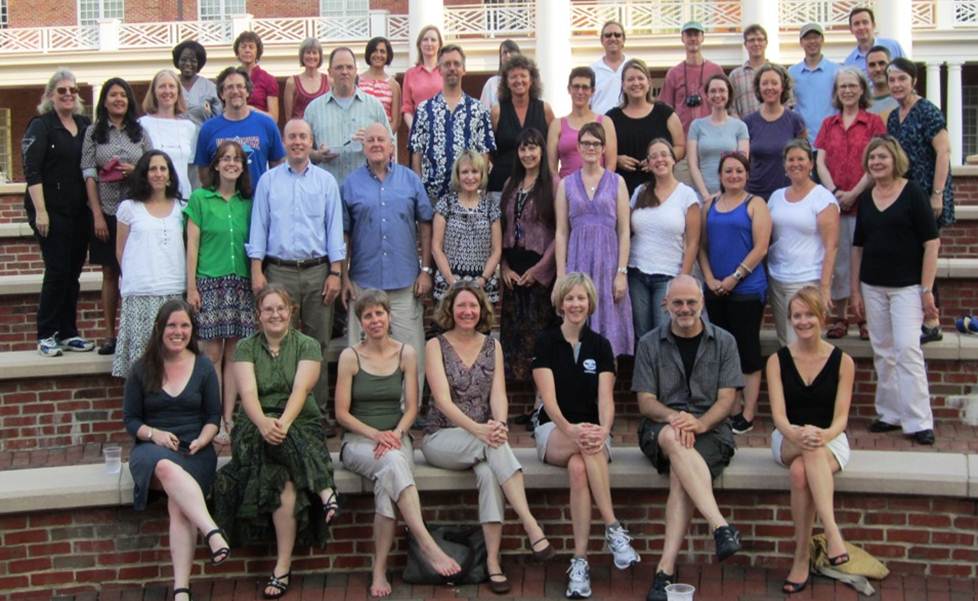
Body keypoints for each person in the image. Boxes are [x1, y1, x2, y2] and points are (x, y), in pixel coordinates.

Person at [421, 283, 554, 595]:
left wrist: (501, 424)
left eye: (474, 306)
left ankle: (493, 564)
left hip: (484, 444)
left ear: (482, 310)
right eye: (461, 306)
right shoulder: (435, 346)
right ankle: (530, 524)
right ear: (450, 310)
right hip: (442, 438)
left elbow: (499, 396)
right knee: (492, 445)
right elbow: (442, 401)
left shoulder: (493, 346)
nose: (468, 311)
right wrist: (482, 431)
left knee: (489, 474)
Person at [213, 284, 338, 600]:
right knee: (272, 445)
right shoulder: (245, 347)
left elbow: (300, 391)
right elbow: (249, 395)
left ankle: (281, 567)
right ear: (258, 315)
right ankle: (324, 486)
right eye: (268, 309)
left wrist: (280, 424)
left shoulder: (307, 345)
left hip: (299, 421)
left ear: (291, 311)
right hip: (254, 425)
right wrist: (264, 423)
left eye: (280, 308)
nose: (275, 314)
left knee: (281, 479)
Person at [334, 290, 462, 597]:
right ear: (361, 322)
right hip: (358, 441)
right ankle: (426, 542)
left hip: (395, 436)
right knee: (394, 463)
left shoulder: (406, 352)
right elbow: (341, 413)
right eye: (368, 316)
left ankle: (378, 572)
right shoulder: (350, 357)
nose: (375, 320)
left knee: (388, 479)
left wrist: (395, 433)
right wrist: (376, 435)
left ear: (389, 316)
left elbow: (412, 408)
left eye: (379, 313)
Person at [633, 274, 743, 601]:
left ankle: (663, 572)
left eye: (691, 302)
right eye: (677, 302)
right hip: (660, 426)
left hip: (711, 430)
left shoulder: (724, 342)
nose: (684, 309)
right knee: (671, 437)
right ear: (666, 304)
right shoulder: (649, 343)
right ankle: (720, 526)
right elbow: (646, 402)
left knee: (681, 474)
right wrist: (675, 418)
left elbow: (727, 400)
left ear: (702, 303)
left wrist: (700, 424)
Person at [533, 273, 640, 598]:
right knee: (585, 447)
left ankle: (579, 564)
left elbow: (607, 399)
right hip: (554, 429)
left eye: (581, 298)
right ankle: (613, 527)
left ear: (590, 303)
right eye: (570, 298)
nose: (575, 304)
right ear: (560, 303)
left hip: (593, 432)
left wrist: (604, 430)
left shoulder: (601, 345)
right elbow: (548, 401)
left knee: (580, 468)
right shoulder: (546, 342)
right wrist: (570, 430)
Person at [122, 299, 229, 601]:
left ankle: (181, 590)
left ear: (191, 330)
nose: (178, 331)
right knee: (168, 469)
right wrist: (153, 434)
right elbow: (131, 420)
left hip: (194, 451)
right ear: (160, 328)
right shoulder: (142, 369)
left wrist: (205, 439)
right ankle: (213, 532)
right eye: (172, 325)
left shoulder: (204, 366)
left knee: (178, 504)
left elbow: (212, 417)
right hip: (152, 451)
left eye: (184, 325)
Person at [247, 118, 346, 420]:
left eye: (303, 136)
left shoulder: (326, 182)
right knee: (279, 341)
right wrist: (256, 269)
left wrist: (336, 272)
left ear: (311, 141)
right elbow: (259, 226)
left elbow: (334, 229)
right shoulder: (268, 181)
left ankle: (315, 415)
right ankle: (281, 409)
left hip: (318, 271)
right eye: (292, 137)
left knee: (317, 343)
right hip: (279, 271)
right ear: (284, 142)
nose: (298, 142)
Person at [850, 136, 939, 446]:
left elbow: (932, 242)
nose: (877, 162)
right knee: (883, 352)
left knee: (907, 350)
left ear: (895, 160)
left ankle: (919, 421)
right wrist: (855, 291)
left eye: (883, 157)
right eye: (872, 157)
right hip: (872, 286)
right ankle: (889, 414)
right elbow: (858, 246)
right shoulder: (867, 198)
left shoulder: (913, 193)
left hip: (906, 288)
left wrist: (927, 289)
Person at [767, 286, 854, 594]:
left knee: (801, 470)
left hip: (831, 439)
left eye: (809, 315)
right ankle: (832, 533)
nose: (803, 322)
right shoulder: (777, 361)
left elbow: (841, 419)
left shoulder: (843, 361)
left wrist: (823, 435)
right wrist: (798, 433)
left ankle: (801, 557)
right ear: (790, 320)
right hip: (787, 438)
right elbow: (778, 416)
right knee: (807, 446)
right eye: (797, 316)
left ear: (822, 317)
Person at [341, 122, 433, 391]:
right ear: (364, 147)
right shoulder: (350, 184)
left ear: (392, 146)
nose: (376, 144)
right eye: (371, 140)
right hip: (363, 282)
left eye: (382, 139)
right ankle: (360, 409)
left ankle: (409, 410)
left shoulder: (410, 180)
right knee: (358, 351)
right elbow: (344, 234)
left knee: (411, 349)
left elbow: (425, 224)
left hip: (404, 281)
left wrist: (425, 270)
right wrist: (344, 276)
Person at [185, 140, 256, 445]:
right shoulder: (200, 199)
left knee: (235, 354)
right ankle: (213, 419)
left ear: (242, 167)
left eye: (236, 159)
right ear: (215, 165)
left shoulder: (248, 202)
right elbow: (192, 246)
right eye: (225, 158)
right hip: (209, 283)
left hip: (240, 283)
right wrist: (191, 286)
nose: (231, 164)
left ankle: (229, 417)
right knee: (211, 354)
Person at [23, 69, 95, 357]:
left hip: (78, 212)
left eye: (73, 91)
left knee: (73, 273)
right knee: (57, 271)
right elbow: (32, 171)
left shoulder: (84, 124)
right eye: (62, 90)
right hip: (49, 211)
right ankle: (46, 333)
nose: (68, 95)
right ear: (50, 95)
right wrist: (41, 212)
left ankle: (68, 331)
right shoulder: (41, 126)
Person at [699, 152, 771, 435]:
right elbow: (702, 246)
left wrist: (735, 277)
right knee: (721, 351)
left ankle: (748, 411)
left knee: (747, 351)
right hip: (715, 289)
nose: (734, 176)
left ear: (747, 174)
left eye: (739, 171)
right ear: (720, 175)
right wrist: (708, 278)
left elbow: (761, 247)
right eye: (728, 171)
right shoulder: (710, 205)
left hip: (747, 290)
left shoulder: (756, 204)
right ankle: (730, 405)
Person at [82, 77, 153, 356]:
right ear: (105, 100)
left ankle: (138, 333)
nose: (119, 100)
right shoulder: (93, 132)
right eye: (113, 95)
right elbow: (88, 173)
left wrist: (134, 170)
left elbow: (152, 166)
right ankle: (110, 335)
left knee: (136, 272)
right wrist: (97, 214)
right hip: (108, 211)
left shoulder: (141, 131)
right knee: (111, 272)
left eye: (123, 95)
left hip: (137, 210)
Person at [886, 57, 954, 343]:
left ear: (914, 80)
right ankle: (918, 318)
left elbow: (944, 152)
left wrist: (936, 194)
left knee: (927, 254)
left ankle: (932, 321)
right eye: (892, 80)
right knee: (911, 255)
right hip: (905, 195)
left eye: (902, 78)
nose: (896, 84)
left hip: (928, 194)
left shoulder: (927, 111)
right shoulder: (893, 116)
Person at [815, 68, 886, 340]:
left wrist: (855, 192)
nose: (847, 90)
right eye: (842, 86)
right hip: (834, 202)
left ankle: (864, 316)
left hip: (866, 200)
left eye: (852, 86)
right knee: (840, 261)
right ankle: (841, 316)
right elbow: (820, 161)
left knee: (864, 259)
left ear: (861, 90)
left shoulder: (874, 123)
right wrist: (834, 191)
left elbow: (878, 159)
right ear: (836, 92)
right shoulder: (828, 124)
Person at [555, 122, 633, 357]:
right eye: (586, 143)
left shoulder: (617, 182)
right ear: (578, 147)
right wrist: (561, 275)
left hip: (608, 267)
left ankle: (606, 392)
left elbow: (624, 230)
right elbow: (561, 232)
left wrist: (621, 272)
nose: (591, 147)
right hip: (578, 264)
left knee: (610, 339)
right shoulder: (566, 184)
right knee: (576, 334)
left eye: (596, 143)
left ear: (603, 148)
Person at [113, 150, 186, 378]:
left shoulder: (182, 208)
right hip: (140, 292)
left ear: (170, 175)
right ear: (144, 174)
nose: (158, 174)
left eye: (163, 168)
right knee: (141, 361)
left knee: (172, 359)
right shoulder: (129, 208)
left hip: (173, 291)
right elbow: (120, 250)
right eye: (152, 169)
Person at [767, 139, 840, 346]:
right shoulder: (776, 197)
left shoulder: (822, 198)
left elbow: (831, 246)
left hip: (806, 280)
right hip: (777, 278)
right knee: (785, 344)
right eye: (790, 159)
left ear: (811, 164)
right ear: (784, 165)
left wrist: (825, 287)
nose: (795, 164)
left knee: (803, 344)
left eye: (801, 159)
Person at [628, 139, 701, 342]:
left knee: (665, 335)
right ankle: (644, 374)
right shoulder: (640, 192)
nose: (660, 159)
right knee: (641, 335)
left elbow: (693, 242)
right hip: (636, 273)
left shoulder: (687, 195)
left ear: (673, 160)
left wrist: (682, 279)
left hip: (668, 276)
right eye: (654, 156)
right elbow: (625, 231)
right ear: (648, 163)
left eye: (664, 154)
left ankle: (666, 375)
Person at [500, 128, 556, 383]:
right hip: (513, 271)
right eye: (523, 148)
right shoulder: (510, 185)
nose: (527, 153)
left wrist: (540, 270)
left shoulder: (554, 185)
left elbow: (561, 232)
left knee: (541, 338)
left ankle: (541, 405)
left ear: (542, 151)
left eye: (532, 148)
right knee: (514, 340)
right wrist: (504, 267)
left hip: (540, 272)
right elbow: (500, 230)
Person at [409, 44, 495, 204]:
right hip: (432, 196)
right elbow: (416, 152)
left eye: (456, 64)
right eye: (447, 64)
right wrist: (418, 189)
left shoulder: (479, 109)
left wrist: (480, 189)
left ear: (464, 69)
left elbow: (484, 150)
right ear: (439, 70)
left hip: (467, 196)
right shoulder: (424, 109)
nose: (452, 68)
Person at [305, 47, 391, 186]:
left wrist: (372, 143)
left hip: (366, 189)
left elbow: (390, 146)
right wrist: (317, 155)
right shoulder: (314, 109)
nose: (344, 72)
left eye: (349, 67)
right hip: (327, 190)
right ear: (330, 72)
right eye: (339, 67)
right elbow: (302, 150)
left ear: (356, 71)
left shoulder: (374, 106)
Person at [194, 66, 285, 187]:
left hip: (257, 201)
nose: (235, 91)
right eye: (230, 87)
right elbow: (203, 172)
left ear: (247, 91)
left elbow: (277, 166)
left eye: (240, 86)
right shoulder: (208, 129)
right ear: (221, 94)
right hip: (222, 203)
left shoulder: (267, 124)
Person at [606, 59, 685, 196]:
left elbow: (680, 147)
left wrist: (658, 160)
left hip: (660, 190)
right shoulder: (611, 118)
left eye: (640, 78)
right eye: (630, 79)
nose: (636, 83)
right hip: (623, 192)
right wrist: (616, 159)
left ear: (648, 83)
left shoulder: (666, 114)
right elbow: (601, 152)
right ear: (623, 85)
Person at [432, 150, 501, 302]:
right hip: (449, 284)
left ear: (482, 174)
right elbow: (436, 247)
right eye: (465, 172)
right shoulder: (446, 204)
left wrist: (482, 281)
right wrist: (452, 281)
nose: (470, 177)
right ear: (457, 175)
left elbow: (496, 250)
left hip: (482, 284)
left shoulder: (491, 207)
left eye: (475, 171)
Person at [488, 55, 554, 203]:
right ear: (506, 82)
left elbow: (553, 147)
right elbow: (490, 150)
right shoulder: (497, 111)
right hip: (501, 185)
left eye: (523, 76)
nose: (519, 80)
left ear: (531, 80)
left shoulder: (545, 109)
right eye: (513, 77)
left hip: (538, 186)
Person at [743, 64, 807, 200]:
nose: (769, 87)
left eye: (774, 83)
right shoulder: (748, 123)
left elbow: (805, 161)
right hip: (756, 196)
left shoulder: (795, 121)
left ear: (782, 87)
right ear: (758, 88)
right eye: (764, 83)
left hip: (788, 195)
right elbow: (743, 163)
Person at [546, 66, 617, 179]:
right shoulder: (557, 125)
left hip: (598, 188)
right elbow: (552, 167)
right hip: (566, 189)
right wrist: (557, 187)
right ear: (569, 89)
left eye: (585, 87)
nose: (580, 91)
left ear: (592, 91)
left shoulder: (605, 123)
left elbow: (611, 164)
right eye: (576, 87)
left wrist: (603, 188)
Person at [687, 74, 750, 200]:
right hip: (702, 196)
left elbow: (741, 164)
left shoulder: (740, 126)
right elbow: (692, 164)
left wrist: (723, 194)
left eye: (722, 90)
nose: (717, 95)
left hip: (732, 193)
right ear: (707, 96)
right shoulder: (696, 125)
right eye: (713, 91)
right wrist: (706, 195)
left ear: (729, 94)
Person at [139, 69, 198, 200]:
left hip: (183, 197)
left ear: (178, 92)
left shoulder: (189, 127)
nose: (167, 91)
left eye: (171, 86)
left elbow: (192, 169)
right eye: (162, 86)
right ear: (154, 92)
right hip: (152, 198)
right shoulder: (142, 125)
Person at [658, 21, 725, 135]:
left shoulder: (716, 70)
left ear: (702, 37)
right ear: (682, 38)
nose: (693, 38)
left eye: (696, 34)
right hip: (683, 138)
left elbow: (726, 105)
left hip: (712, 136)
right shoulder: (673, 73)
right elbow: (664, 110)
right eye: (689, 35)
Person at [788, 23, 840, 143]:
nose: (812, 41)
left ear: (822, 40)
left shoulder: (836, 70)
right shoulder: (792, 72)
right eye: (807, 38)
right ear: (801, 42)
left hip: (830, 140)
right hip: (803, 141)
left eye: (815, 37)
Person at [401, 24, 443, 132]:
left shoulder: (446, 72)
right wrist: (415, 130)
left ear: (439, 45)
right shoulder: (410, 74)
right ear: (420, 44)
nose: (429, 43)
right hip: (420, 133)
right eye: (425, 40)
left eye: (433, 40)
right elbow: (407, 108)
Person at [843, 7, 905, 76]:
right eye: (856, 24)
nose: (861, 27)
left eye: (865, 22)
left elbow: (907, 72)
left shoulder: (893, 47)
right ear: (851, 29)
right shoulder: (849, 63)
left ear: (873, 25)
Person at [172, 40, 221, 126]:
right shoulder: (169, 85)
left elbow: (218, 119)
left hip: (203, 137)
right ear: (177, 61)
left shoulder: (210, 88)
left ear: (199, 63)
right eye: (183, 60)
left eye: (193, 61)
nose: (188, 64)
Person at [234, 31, 279, 123]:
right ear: (237, 51)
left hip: (259, 126)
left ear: (257, 51)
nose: (247, 50)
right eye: (243, 47)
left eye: (251, 47)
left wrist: (252, 110)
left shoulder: (269, 80)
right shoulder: (231, 79)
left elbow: (274, 119)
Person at [360, 36, 402, 134]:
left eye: (382, 51)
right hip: (360, 138)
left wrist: (383, 139)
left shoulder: (394, 85)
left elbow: (395, 122)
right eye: (375, 51)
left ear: (388, 55)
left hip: (384, 141)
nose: (378, 55)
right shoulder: (357, 81)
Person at [282, 37, 330, 120]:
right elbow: (288, 118)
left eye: (315, 53)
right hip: (300, 130)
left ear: (320, 56)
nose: (311, 56)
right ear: (302, 55)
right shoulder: (291, 82)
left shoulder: (329, 81)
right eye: (308, 52)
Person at [728, 24, 769, 118]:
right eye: (751, 40)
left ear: (766, 43)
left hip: (774, 129)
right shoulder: (735, 76)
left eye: (760, 39)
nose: (756, 43)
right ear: (745, 45)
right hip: (745, 130)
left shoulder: (777, 72)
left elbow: (787, 102)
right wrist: (741, 127)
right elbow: (730, 106)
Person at [589, 20, 629, 116]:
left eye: (617, 35)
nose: (613, 38)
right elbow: (587, 104)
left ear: (623, 40)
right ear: (602, 40)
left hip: (628, 125)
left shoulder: (632, 66)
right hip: (599, 126)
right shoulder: (592, 70)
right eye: (608, 35)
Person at [480, 39, 520, 109]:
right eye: (504, 52)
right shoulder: (491, 84)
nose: (508, 55)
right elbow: (483, 112)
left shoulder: (525, 82)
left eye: (511, 51)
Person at [866, 46, 898, 121]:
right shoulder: (861, 103)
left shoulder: (903, 100)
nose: (877, 69)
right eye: (872, 65)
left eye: (882, 63)